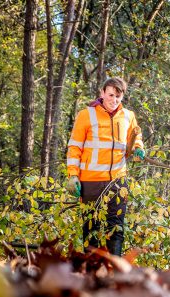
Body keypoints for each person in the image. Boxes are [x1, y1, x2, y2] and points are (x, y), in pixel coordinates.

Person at [66, 77, 145, 256]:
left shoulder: (128, 116)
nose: (114, 100)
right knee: (91, 229)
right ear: (102, 93)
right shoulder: (86, 115)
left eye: (118, 96)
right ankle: (90, 274)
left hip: (118, 182)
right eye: (110, 95)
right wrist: (72, 175)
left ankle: (113, 273)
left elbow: (135, 135)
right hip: (91, 182)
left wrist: (139, 147)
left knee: (116, 229)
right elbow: (74, 147)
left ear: (122, 96)